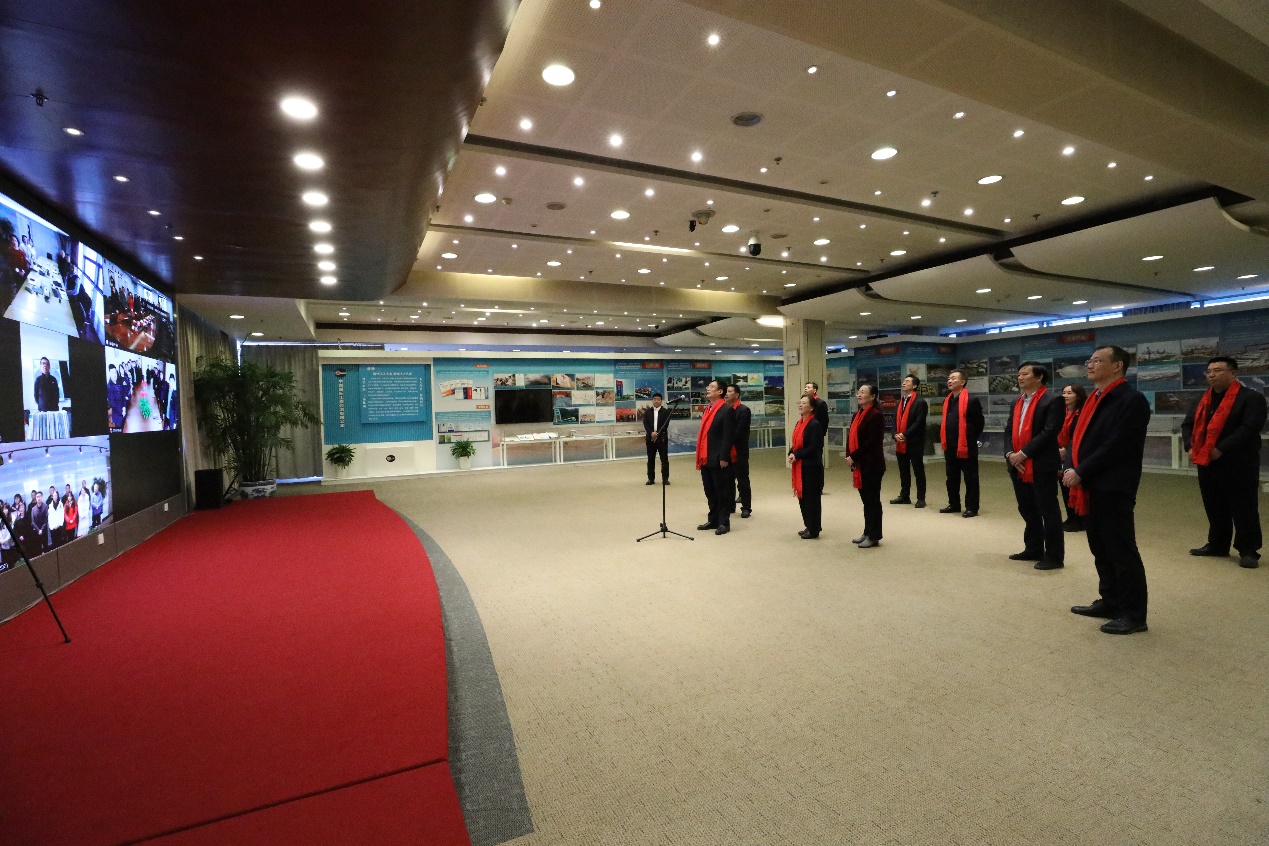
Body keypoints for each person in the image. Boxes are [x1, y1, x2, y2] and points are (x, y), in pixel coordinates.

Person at [1065, 345, 1152, 635]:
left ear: (1117, 366)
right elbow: (1078, 438)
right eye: (1089, 360)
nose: (1090, 365)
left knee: (1121, 550)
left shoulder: (1131, 400)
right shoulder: (1094, 398)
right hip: (1091, 485)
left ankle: (1134, 615)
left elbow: (1116, 445)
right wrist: (1071, 466)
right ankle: (1111, 601)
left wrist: (1081, 471)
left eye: (1097, 360)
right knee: (1100, 548)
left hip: (1113, 485)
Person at [1180, 355, 1266, 569]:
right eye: (1209, 371)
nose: (1211, 375)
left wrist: (1221, 448)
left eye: (1217, 370)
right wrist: (1190, 447)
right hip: (1207, 462)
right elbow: (1188, 424)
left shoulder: (1251, 398)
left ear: (1233, 373)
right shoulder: (1202, 400)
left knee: (1243, 506)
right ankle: (1218, 544)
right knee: (1214, 505)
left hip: (1239, 462)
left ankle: (1248, 550)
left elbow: (1249, 428)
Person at [1004, 362, 1065, 570]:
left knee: (1048, 510)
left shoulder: (1053, 400)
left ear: (1039, 377)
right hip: (1017, 464)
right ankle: (1033, 548)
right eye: (1019, 374)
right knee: (1027, 509)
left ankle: (1054, 556)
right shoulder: (1017, 401)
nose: (1020, 377)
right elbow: (1009, 430)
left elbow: (1049, 431)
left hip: (1041, 464)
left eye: (1025, 374)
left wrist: (1023, 454)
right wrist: (1011, 454)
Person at [939, 368, 984, 517]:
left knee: (970, 478)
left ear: (963, 382)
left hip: (966, 446)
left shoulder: (971, 400)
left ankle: (972, 507)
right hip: (950, 446)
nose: (949, 381)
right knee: (951, 478)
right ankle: (954, 504)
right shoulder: (948, 400)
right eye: (949, 378)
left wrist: (969, 438)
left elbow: (979, 423)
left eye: (953, 378)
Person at [846, 383, 886, 548]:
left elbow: (871, 442)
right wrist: (849, 455)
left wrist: (854, 456)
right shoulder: (857, 414)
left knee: (872, 501)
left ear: (872, 396)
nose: (859, 395)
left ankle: (874, 535)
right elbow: (851, 436)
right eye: (859, 392)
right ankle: (867, 531)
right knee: (866, 502)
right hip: (860, 464)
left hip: (872, 464)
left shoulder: (876, 415)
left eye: (863, 392)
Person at [695, 379, 735, 535]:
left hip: (718, 457)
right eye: (708, 386)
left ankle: (724, 522)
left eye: (711, 387)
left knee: (722, 491)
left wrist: (724, 457)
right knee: (709, 490)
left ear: (720, 391)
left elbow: (728, 436)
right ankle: (713, 520)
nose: (708, 389)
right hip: (705, 456)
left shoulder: (726, 410)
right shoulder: (708, 409)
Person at [788, 393, 824, 539]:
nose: (800, 405)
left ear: (812, 407)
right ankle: (809, 525)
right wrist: (792, 452)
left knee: (811, 500)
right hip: (801, 465)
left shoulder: (814, 424)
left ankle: (814, 529)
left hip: (811, 467)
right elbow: (796, 442)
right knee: (803, 499)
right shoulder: (800, 423)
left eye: (804, 403)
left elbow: (814, 447)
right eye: (800, 402)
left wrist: (797, 454)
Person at [891, 374, 928, 507]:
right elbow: (895, 421)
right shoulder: (900, 402)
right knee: (904, 470)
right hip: (900, 442)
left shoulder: (920, 402)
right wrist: (895, 434)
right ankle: (904, 496)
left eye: (907, 381)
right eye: (903, 381)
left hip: (914, 441)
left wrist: (905, 434)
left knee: (918, 470)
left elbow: (919, 422)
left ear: (914, 385)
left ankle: (921, 498)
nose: (904, 383)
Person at [1057, 383, 1087, 532]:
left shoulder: (1082, 413)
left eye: (1069, 393)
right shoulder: (1060, 412)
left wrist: (1066, 449)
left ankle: (1080, 519)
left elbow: (1081, 435)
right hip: (1060, 456)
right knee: (1065, 486)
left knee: (1076, 486)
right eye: (1064, 392)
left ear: (1078, 396)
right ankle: (1071, 517)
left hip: (1076, 455)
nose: (1065, 395)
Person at [724, 384, 752, 518]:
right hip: (726, 450)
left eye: (729, 391)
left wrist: (725, 437)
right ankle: (730, 506)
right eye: (726, 391)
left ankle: (746, 507)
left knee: (742, 480)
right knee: (728, 480)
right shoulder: (724, 409)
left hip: (739, 450)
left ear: (737, 395)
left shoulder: (743, 410)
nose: (726, 393)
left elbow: (739, 432)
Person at [642, 393, 670, 485]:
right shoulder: (647, 412)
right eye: (655, 399)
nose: (656, 401)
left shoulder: (666, 412)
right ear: (652, 400)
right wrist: (651, 433)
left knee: (664, 459)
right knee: (651, 459)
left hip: (662, 438)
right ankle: (651, 479)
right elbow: (645, 424)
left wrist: (657, 433)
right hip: (650, 438)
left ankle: (665, 479)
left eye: (658, 399)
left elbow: (665, 425)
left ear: (661, 401)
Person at [108, 364, 128, 429]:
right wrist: (122, 411)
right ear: (110, 373)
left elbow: (123, 395)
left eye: (115, 372)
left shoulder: (119, 382)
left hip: (123, 412)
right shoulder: (109, 387)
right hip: (117, 417)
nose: (115, 375)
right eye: (112, 373)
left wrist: (124, 407)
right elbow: (113, 404)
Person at [28, 489, 47, 557]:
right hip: (36, 531)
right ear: (35, 498)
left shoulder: (45, 507)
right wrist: (38, 530)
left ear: (42, 497)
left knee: (45, 547)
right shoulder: (33, 509)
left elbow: (46, 520)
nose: (38, 498)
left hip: (44, 530)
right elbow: (33, 521)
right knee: (38, 548)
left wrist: (42, 529)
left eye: (40, 496)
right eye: (37, 497)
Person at [46, 484, 64, 550]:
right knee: (54, 542)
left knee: (60, 541)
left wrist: (59, 524)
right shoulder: (50, 505)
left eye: (56, 495)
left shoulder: (60, 504)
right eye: (54, 496)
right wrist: (52, 526)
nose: (55, 497)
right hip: (53, 527)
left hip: (59, 526)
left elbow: (62, 514)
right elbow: (49, 517)